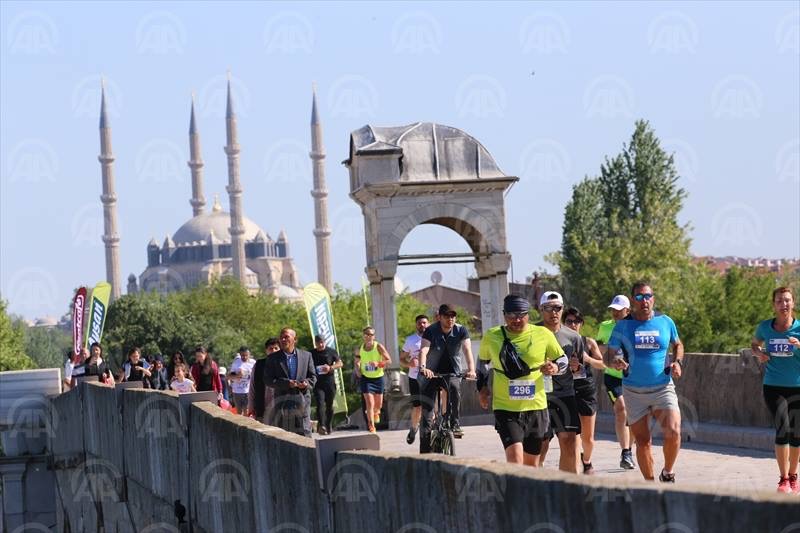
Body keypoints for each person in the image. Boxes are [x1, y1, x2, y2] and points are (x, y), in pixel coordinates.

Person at [478, 294, 567, 466]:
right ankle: (514, 493)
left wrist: (554, 368)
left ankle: (528, 493)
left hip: (536, 408)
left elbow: (562, 360)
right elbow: (482, 364)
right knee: (515, 459)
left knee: (531, 465)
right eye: (511, 315)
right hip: (506, 408)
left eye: (521, 315)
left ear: (529, 315)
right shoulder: (492, 335)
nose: (517, 320)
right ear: (504, 315)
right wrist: (482, 388)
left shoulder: (543, 334)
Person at [608, 281, 684, 483]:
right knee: (643, 442)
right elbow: (610, 354)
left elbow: (678, 344)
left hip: (663, 387)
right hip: (633, 391)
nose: (644, 301)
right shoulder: (622, 326)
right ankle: (650, 486)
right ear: (633, 300)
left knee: (674, 431)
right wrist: (615, 361)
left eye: (648, 296)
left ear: (653, 298)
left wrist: (677, 362)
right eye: (639, 297)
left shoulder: (665, 321)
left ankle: (667, 471)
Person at [751, 286, 800, 493]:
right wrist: (759, 354)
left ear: (793, 303)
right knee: (782, 429)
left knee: (796, 434)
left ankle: (793, 476)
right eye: (779, 301)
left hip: (797, 386)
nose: (784, 304)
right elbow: (754, 344)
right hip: (773, 386)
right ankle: (783, 479)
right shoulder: (765, 328)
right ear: (774, 305)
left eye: (787, 300)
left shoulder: (799, 329)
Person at [537, 292, 585, 474]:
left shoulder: (574, 337)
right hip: (538, 395)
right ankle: (536, 473)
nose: (553, 312)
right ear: (541, 310)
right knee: (540, 443)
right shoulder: (531, 333)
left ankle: (567, 485)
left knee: (569, 440)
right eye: (548, 308)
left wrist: (576, 368)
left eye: (557, 308)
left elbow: (579, 371)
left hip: (565, 394)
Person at [419, 304, 477, 450]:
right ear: (440, 317)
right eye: (446, 316)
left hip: (452, 372)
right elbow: (424, 350)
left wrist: (471, 369)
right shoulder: (431, 331)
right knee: (427, 413)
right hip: (431, 373)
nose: (450, 319)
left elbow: (467, 349)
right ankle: (425, 452)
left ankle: (454, 423)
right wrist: (423, 368)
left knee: (454, 388)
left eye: (452, 316)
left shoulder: (461, 330)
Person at [564, 307, 606, 475]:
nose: (573, 325)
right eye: (569, 321)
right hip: (566, 390)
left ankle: (586, 461)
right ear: (563, 323)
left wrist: (587, 359)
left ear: (581, 324)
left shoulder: (588, 342)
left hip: (585, 390)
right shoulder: (556, 341)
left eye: (576, 321)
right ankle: (574, 474)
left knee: (587, 438)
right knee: (572, 437)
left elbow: (602, 364)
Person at [597, 294, 636, 470]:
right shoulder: (605, 327)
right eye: (613, 309)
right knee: (621, 409)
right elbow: (599, 350)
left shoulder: (636, 327)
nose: (615, 313)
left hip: (633, 377)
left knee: (634, 416)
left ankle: (630, 450)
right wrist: (611, 360)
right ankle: (625, 451)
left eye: (619, 310)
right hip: (613, 376)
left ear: (627, 310)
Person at [264, 328, 317, 437]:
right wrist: (286, 383)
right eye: (281, 337)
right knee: (286, 436)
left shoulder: (306, 356)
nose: (283, 339)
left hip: (302, 400)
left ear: (295, 339)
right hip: (283, 402)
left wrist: (306, 384)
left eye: (286, 337)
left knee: (305, 433)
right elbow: (268, 380)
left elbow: (313, 377)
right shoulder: (273, 358)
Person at [354, 326, 392, 433]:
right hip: (366, 378)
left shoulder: (378, 346)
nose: (369, 336)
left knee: (378, 404)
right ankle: (371, 426)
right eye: (367, 334)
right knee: (369, 403)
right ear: (363, 336)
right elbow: (357, 360)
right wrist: (357, 369)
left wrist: (378, 363)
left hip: (378, 378)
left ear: (374, 336)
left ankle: (377, 412)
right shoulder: (359, 348)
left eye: (371, 335)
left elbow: (389, 360)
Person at [400, 314, 429, 444]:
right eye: (419, 323)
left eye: (424, 323)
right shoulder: (410, 340)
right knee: (417, 407)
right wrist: (408, 364)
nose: (422, 325)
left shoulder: (434, 338)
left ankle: (431, 428)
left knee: (431, 405)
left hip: (430, 376)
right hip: (414, 377)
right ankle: (413, 428)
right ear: (416, 325)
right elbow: (401, 358)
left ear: (428, 324)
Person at [310, 335, 343, 435]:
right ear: (315, 343)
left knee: (329, 405)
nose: (320, 345)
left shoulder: (331, 351)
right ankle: (322, 425)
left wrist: (331, 367)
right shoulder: (311, 353)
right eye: (318, 343)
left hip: (329, 382)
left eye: (322, 342)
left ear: (325, 342)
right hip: (318, 383)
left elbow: (340, 363)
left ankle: (328, 424)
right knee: (320, 403)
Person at [248, 337, 281, 424]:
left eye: (276, 348)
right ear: (266, 351)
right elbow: (252, 386)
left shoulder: (284, 365)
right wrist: (251, 406)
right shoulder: (259, 365)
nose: (273, 350)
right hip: (262, 408)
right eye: (271, 348)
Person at [228, 346, 255, 415]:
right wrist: (237, 376)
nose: (245, 357)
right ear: (240, 354)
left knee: (247, 411)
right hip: (237, 391)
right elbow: (228, 377)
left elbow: (256, 376)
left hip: (248, 391)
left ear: (249, 355)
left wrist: (246, 374)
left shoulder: (253, 363)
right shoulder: (236, 363)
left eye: (246, 355)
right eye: (243, 355)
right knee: (239, 413)